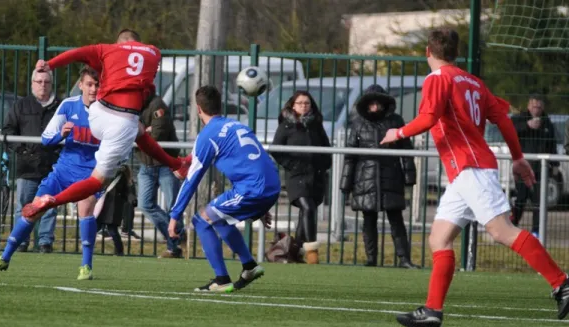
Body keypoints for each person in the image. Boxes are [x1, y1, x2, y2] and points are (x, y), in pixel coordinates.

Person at [379, 28, 569, 327]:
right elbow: (503, 120)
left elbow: (428, 118)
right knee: (439, 238)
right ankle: (432, 310)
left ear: (428, 52)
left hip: (471, 168)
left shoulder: (438, 79)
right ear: (455, 53)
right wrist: (518, 158)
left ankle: (562, 283)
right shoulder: (474, 82)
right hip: (464, 174)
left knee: (501, 231)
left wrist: (398, 132)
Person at [21, 29, 191, 219]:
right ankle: (53, 200)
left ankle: (176, 164)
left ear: (118, 43)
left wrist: (48, 64)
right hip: (121, 121)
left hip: (98, 113)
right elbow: (148, 87)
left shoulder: (106, 49)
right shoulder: (153, 52)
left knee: (139, 130)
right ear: (139, 42)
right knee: (97, 182)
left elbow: (76, 54)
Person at [0, 66, 102, 280]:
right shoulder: (68, 105)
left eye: (97, 85)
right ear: (81, 86)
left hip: (90, 174)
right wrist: (60, 134)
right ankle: (4, 258)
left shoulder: (106, 112)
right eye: (89, 85)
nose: (93, 89)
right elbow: (47, 139)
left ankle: (86, 266)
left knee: (85, 208)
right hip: (63, 170)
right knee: (34, 208)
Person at [168, 85, 280, 292]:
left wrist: (174, 216)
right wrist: (263, 203)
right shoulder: (237, 125)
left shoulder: (208, 135)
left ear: (198, 109)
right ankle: (249, 266)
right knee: (217, 217)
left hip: (252, 189)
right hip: (270, 184)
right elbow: (254, 160)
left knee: (200, 220)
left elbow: (192, 179)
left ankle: (221, 279)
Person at [340, 84, 417, 268]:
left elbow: (406, 151)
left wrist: (409, 177)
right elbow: (350, 155)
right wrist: (346, 182)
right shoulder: (358, 124)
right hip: (364, 177)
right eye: (371, 102)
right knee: (368, 220)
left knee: (396, 220)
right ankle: (371, 259)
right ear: (366, 104)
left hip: (391, 175)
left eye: (378, 102)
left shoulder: (396, 121)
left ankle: (404, 259)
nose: (375, 106)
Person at [3, 68, 61, 253]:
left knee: (49, 205)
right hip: (27, 165)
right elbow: (8, 130)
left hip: (52, 164)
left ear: (51, 84)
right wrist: (22, 150)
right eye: (39, 81)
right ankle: (21, 240)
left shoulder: (60, 106)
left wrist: (59, 152)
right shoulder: (21, 105)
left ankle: (45, 242)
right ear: (32, 83)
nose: (42, 85)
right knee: (24, 205)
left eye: (46, 82)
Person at [271, 90, 332, 264]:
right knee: (308, 208)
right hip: (296, 176)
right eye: (300, 103)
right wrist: (292, 165)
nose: (304, 106)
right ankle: (312, 252)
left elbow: (326, 148)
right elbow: (276, 150)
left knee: (306, 213)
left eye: (307, 103)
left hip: (315, 176)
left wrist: (324, 164)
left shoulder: (316, 125)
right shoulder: (286, 126)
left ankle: (293, 251)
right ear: (293, 105)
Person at [136, 93, 184, 258]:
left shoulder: (157, 105)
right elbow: (124, 133)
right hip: (146, 165)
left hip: (165, 164)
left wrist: (141, 134)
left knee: (173, 207)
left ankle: (173, 248)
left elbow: (157, 135)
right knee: (144, 204)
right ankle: (176, 233)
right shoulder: (130, 107)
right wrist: (143, 133)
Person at [510, 94, 559, 238]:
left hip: (541, 169)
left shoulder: (547, 122)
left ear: (542, 107)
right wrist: (527, 125)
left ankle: (536, 231)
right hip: (523, 167)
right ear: (528, 105)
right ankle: (513, 226)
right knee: (521, 198)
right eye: (534, 106)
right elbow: (511, 131)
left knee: (539, 201)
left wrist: (555, 164)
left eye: (539, 106)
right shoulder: (520, 118)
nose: (536, 109)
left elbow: (552, 144)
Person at [96, 165, 137, 256]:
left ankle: (119, 251)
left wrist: (132, 200)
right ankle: (119, 251)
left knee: (113, 231)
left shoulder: (121, 176)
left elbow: (127, 191)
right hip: (102, 205)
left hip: (113, 208)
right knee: (96, 228)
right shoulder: (104, 172)